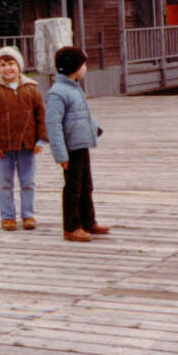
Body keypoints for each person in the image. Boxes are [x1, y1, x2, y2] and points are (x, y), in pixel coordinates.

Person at [45, 46, 110, 242]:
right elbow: (53, 125)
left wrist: (95, 128)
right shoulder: (57, 93)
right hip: (70, 148)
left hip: (81, 144)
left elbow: (84, 115)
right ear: (74, 67)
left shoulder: (74, 88)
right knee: (73, 187)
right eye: (83, 64)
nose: (85, 68)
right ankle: (71, 226)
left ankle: (88, 221)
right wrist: (60, 155)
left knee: (86, 185)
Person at [0, 46, 47, 231]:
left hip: (28, 146)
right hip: (4, 148)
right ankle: (7, 217)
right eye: (2, 65)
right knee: (5, 183)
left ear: (18, 65)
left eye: (11, 63)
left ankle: (28, 215)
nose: (7, 68)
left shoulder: (32, 89)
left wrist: (41, 140)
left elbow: (41, 116)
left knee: (28, 182)